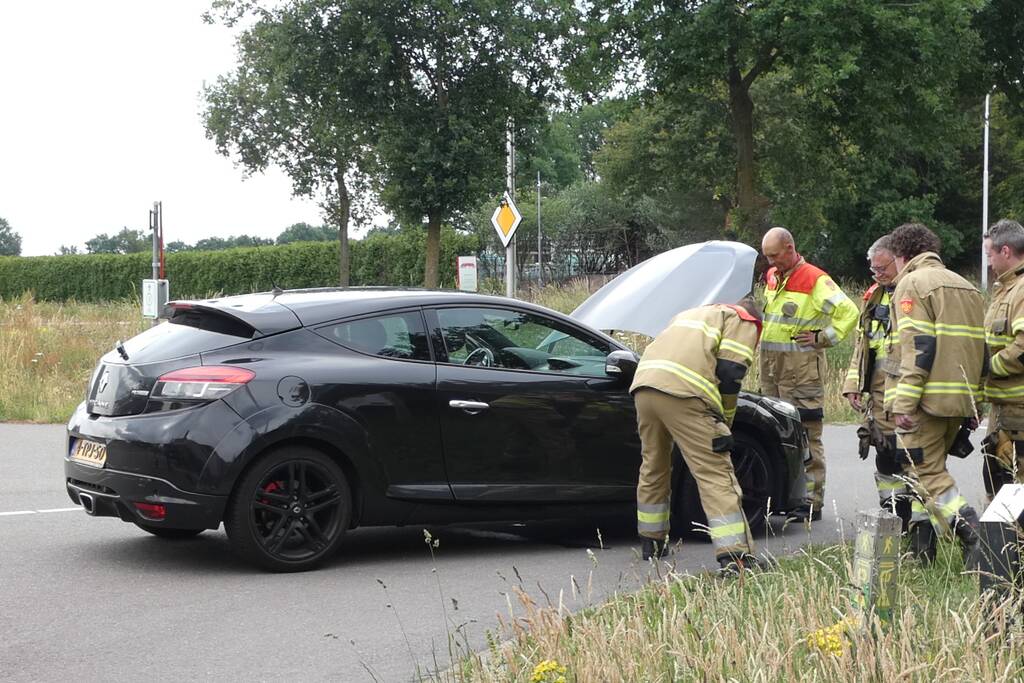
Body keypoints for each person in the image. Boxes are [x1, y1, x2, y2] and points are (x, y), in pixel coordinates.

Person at [630, 299, 762, 573]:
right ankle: (736, 558)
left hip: (644, 387)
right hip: (685, 393)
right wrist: (724, 421)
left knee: (654, 464)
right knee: (715, 472)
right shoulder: (743, 320)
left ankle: (652, 542)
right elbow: (730, 372)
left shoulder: (693, 314)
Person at [885, 222, 984, 563]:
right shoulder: (968, 287)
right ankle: (926, 551)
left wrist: (904, 402)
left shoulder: (911, 284)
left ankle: (974, 533)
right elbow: (981, 349)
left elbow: (918, 347)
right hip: (959, 401)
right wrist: (976, 402)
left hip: (926, 401)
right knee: (931, 470)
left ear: (901, 255)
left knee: (925, 474)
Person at [760, 227, 859, 521]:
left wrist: (821, 338)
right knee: (775, 433)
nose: (771, 262)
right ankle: (784, 496)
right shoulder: (773, 276)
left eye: (775, 255)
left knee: (806, 435)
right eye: (767, 257)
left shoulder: (814, 279)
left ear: (790, 248)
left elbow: (849, 313)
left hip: (802, 373)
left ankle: (811, 502)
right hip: (772, 371)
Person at [841, 236, 910, 530]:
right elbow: (862, 345)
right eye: (873, 270)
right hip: (880, 395)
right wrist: (852, 384)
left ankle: (919, 530)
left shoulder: (914, 291)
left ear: (900, 260)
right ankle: (892, 522)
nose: (877, 275)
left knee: (910, 458)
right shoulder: (874, 296)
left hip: (907, 392)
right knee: (885, 455)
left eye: (882, 269)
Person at [982, 219, 1024, 501]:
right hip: (1004, 410)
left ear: (1005, 251)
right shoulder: (1006, 290)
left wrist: (987, 368)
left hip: (1018, 411)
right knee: (999, 485)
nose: (989, 263)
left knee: (1014, 490)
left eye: (990, 255)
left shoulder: (1021, 290)